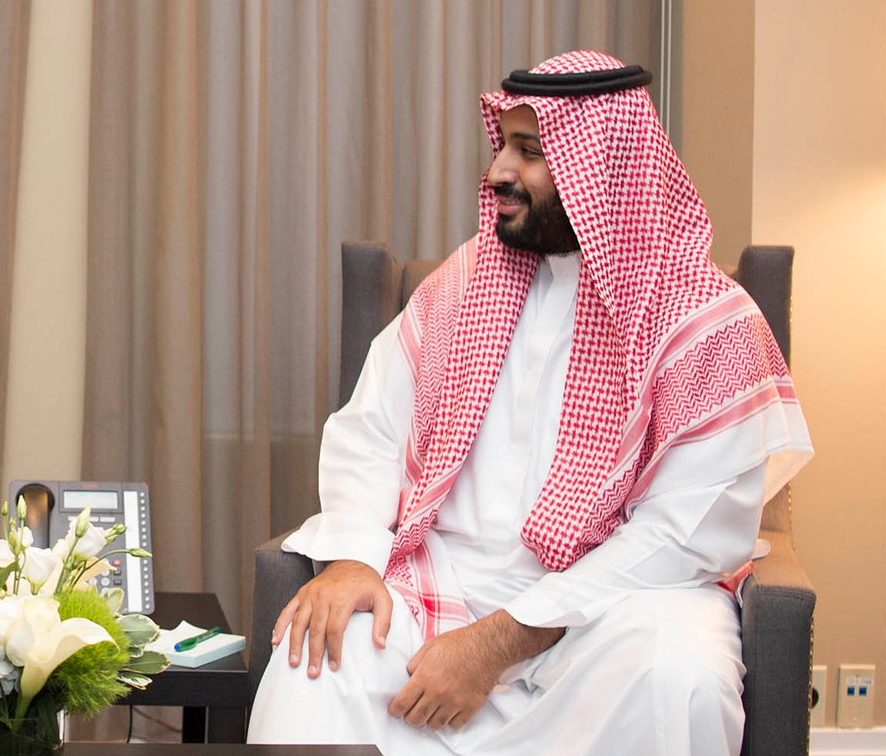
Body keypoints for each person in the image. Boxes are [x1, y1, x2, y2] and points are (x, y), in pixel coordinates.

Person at [247, 50, 811, 755]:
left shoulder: (705, 323)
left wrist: (494, 645)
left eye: (530, 152)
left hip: (616, 607)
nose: (497, 174)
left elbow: (683, 537)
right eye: (502, 147)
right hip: (443, 583)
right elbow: (370, 433)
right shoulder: (462, 286)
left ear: (600, 170)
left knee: (681, 676)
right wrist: (357, 559)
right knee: (316, 663)